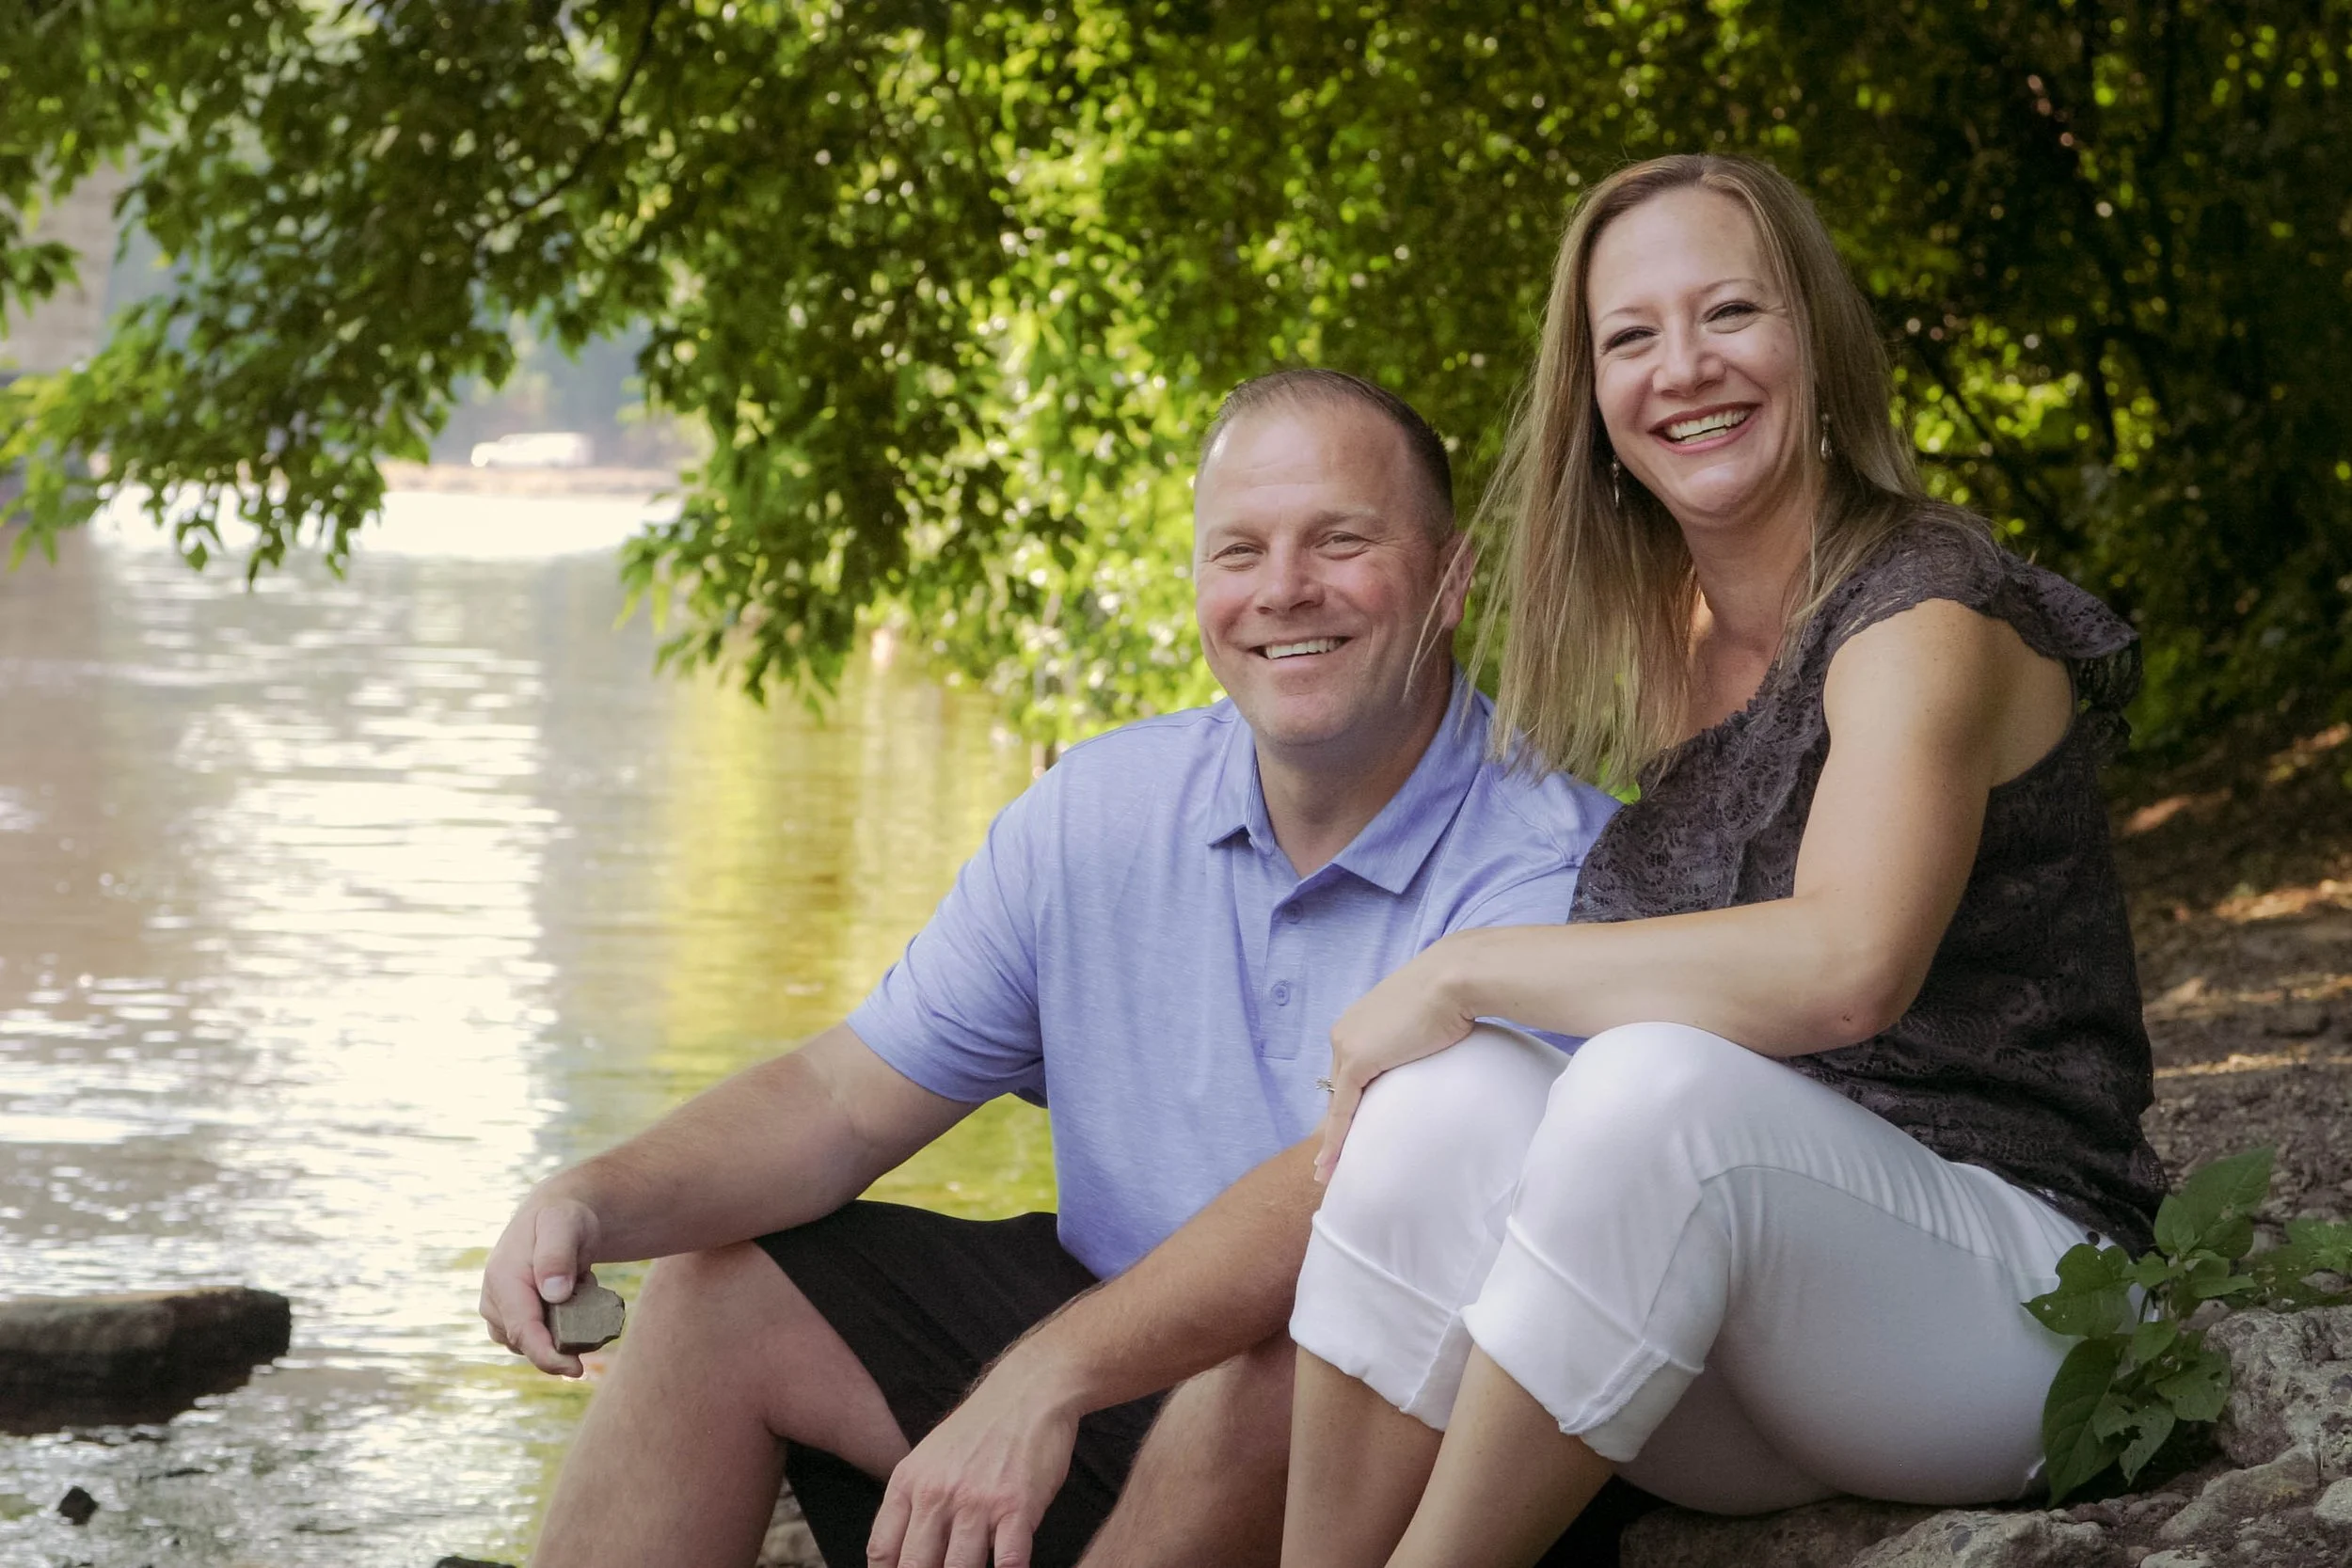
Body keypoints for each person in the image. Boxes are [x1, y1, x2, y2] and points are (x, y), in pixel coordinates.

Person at [476, 368, 1621, 1568]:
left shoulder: (1555, 864)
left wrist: (1043, 1375)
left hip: (1376, 1452)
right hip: (1118, 1361)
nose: (1284, 589)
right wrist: (592, 1199)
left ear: (1450, 576)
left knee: (1292, 1357)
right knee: (723, 1290)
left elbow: (1365, 1196)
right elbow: (839, 1100)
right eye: (1239, 550)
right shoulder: (1099, 811)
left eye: (1340, 540)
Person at [1277, 154, 2169, 1568]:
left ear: (1815, 336)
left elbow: (1846, 966)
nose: (1683, 368)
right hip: (1764, 1331)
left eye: (1731, 312)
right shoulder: (1669, 642)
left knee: (1645, 1082)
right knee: (1439, 1109)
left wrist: (1460, 968)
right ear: (1594, 401)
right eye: (1632, 336)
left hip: (2016, 1304)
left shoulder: (1927, 608)